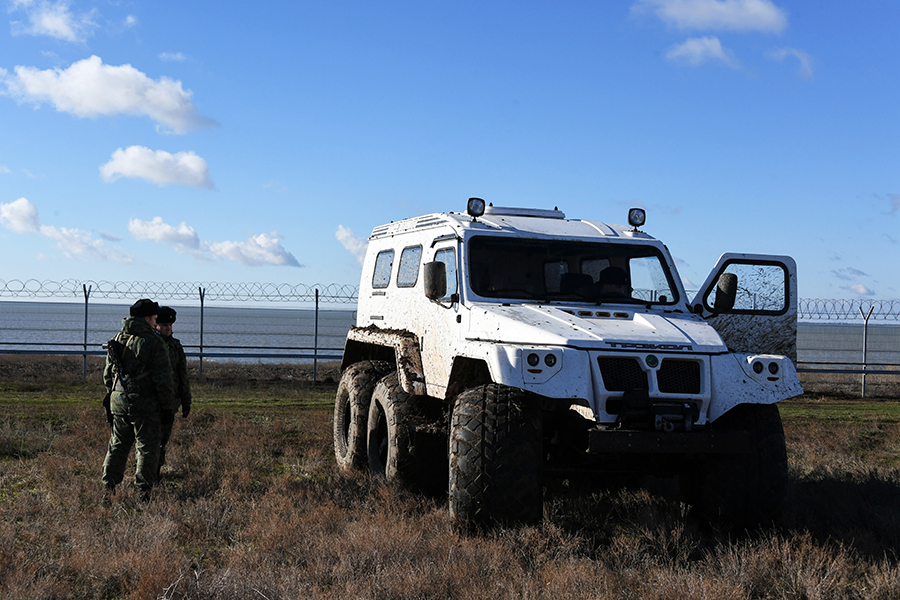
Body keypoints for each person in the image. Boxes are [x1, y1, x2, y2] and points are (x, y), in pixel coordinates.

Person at [102, 299, 175, 502]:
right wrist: (168, 407)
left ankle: (108, 487)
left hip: (118, 401)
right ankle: (144, 492)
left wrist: (116, 396)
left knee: (117, 444)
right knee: (147, 447)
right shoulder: (153, 341)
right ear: (146, 319)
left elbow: (108, 376)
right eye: (154, 319)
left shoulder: (117, 338)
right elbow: (164, 379)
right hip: (145, 404)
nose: (155, 323)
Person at [155, 306, 192, 481]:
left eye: (169, 324)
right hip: (153, 402)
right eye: (164, 325)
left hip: (171, 403)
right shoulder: (151, 345)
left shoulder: (176, 347)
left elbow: (182, 375)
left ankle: (156, 472)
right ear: (156, 325)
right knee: (151, 442)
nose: (167, 328)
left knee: (163, 441)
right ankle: (148, 475)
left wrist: (186, 400)